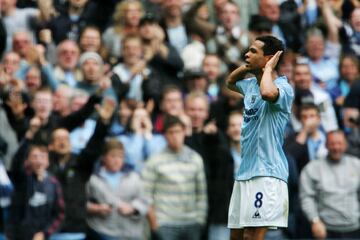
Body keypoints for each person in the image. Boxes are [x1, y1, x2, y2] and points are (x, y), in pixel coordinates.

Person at [226, 35, 294, 240]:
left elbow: (267, 93)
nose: (246, 54)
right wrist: (250, 67)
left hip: (268, 174)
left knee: (253, 236)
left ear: (269, 59)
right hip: (244, 173)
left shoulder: (284, 88)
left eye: (253, 52)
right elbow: (230, 82)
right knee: (237, 237)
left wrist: (267, 70)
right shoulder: (249, 86)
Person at [142, 115, 207, 240]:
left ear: (184, 132)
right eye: (170, 132)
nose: (175, 136)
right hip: (165, 223)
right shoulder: (155, 160)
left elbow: (201, 193)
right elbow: (146, 195)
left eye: (177, 131)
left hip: (191, 223)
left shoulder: (195, 158)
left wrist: (200, 220)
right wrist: (155, 224)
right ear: (165, 135)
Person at [299, 130, 360, 239]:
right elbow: (306, 197)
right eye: (332, 143)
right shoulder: (312, 168)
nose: (336, 147)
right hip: (325, 230)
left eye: (339, 143)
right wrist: (314, 220)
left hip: (354, 229)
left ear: (345, 145)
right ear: (326, 145)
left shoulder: (357, 165)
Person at [86, 140, 149, 240]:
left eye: (120, 156)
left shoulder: (134, 177)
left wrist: (133, 208)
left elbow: (145, 200)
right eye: (113, 156)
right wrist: (97, 208)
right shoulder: (93, 179)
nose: (117, 160)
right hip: (103, 231)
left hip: (131, 232)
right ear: (104, 157)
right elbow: (81, 203)